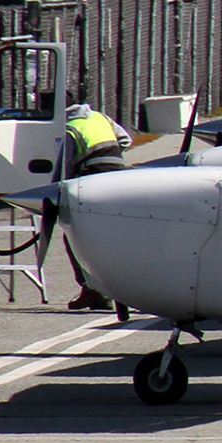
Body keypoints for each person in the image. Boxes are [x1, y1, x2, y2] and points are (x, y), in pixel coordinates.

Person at [63, 103, 132, 310]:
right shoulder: (101, 117)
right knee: (113, 235)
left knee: (76, 235)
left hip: (91, 180)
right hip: (118, 176)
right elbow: (126, 139)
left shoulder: (68, 129)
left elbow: (64, 166)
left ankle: (92, 289)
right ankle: (120, 289)